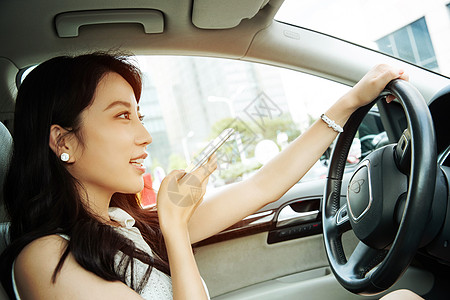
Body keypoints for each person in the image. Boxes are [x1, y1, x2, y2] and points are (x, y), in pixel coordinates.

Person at [0, 52, 418, 299]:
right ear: (62, 141)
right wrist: (176, 229)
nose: (145, 136)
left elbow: (262, 185)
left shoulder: (127, 226)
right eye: (122, 116)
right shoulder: (43, 259)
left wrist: (348, 103)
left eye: (141, 116)